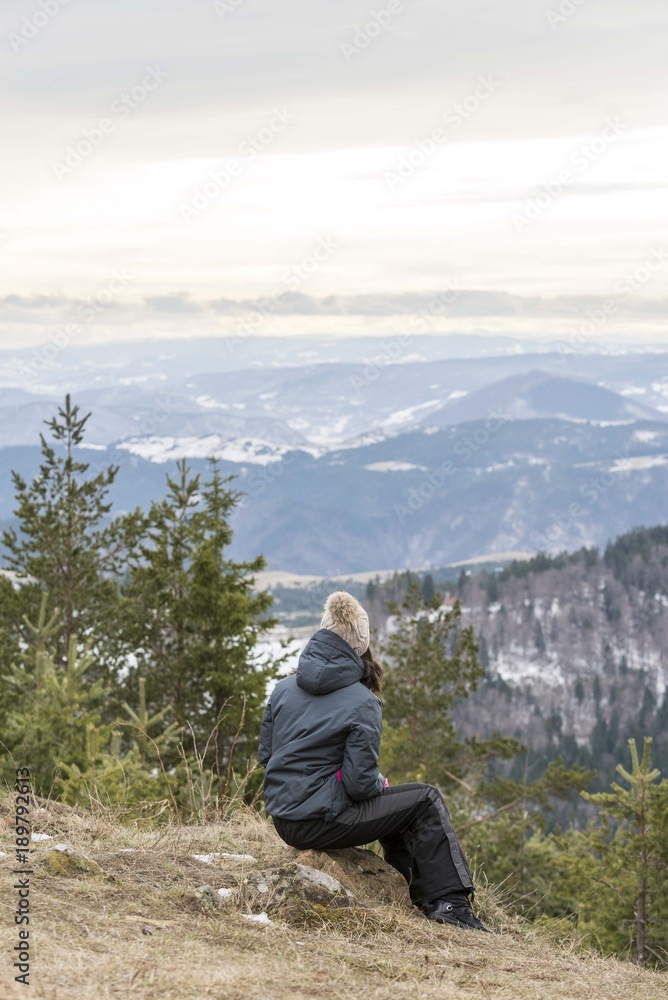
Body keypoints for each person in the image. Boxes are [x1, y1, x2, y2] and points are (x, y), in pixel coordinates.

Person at [258, 590, 490, 932]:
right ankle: (451, 904)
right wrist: (371, 784)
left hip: (285, 822)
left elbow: (267, 756)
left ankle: (419, 896)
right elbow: (359, 783)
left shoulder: (282, 688)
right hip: (322, 821)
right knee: (425, 799)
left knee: (399, 808)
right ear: (361, 645)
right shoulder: (363, 702)